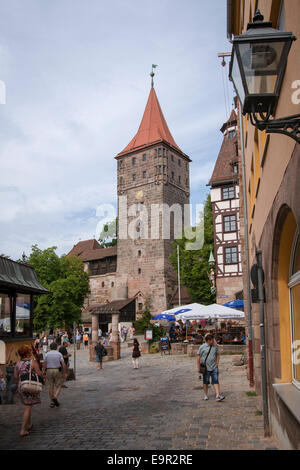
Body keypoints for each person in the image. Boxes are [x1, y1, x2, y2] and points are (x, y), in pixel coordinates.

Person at [14, 344, 44, 437]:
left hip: (21, 385)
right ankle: (23, 429)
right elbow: (39, 373)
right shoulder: (32, 362)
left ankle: (29, 424)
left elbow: (15, 377)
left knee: (28, 405)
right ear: (27, 353)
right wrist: (42, 373)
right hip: (30, 385)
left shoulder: (18, 363)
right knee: (28, 407)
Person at [197, 333, 225, 402]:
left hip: (214, 367)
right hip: (205, 367)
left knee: (216, 380)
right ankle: (206, 395)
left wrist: (217, 362)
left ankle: (218, 395)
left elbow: (218, 354)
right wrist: (198, 368)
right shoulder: (202, 347)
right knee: (206, 381)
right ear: (208, 340)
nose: (213, 341)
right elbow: (198, 358)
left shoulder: (215, 346)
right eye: (211, 340)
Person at [42, 342, 67, 408]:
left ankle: (52, 402)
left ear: (50, 347)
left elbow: (44, 364)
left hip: (49, 370)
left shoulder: (47, 354)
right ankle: (55, 396)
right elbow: (63, 364)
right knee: (59, 385)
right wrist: (64, 373)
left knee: (51, 386)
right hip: (57, 370)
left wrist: (43, 372)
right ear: (56, 347)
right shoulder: (59, 354)